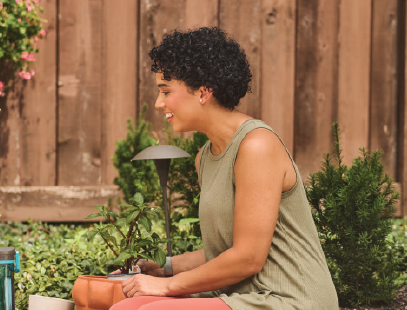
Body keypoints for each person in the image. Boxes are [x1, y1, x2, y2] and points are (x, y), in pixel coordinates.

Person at [110, 27, 339, 310]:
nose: (159, 103)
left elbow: (248, 258)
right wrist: (165, 268)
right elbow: (222, 251)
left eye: (165, 91)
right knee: (125, 305)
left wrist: (168, 286)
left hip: (291, 299)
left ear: (204, 91)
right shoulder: (205, 157)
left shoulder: (257, 146)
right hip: (245, 296)